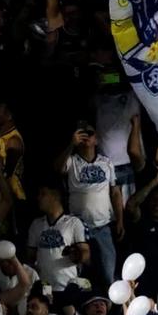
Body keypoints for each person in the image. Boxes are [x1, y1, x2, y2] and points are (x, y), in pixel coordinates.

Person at [55, 122, 124, 288]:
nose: (86, 135)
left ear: (97, 139)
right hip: (79, 228)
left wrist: (120, 220)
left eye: (90, 133)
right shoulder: (71, 161)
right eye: (82, 132)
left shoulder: (106, 162)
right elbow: (57, 169)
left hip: (103, 226)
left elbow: (115, 193)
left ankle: (112, 309)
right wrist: (71, 144)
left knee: (108, 272)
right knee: (81, 276)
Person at [27, 180, 90, 292]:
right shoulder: (36, 224)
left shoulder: (73, 222)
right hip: (45, 287)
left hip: (68, 286)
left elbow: (86, 254)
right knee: (47, 308)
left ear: (55, 196)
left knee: (68, 307)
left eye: (43, 194)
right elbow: (30, 257)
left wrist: (77, 255)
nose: (39, 198)